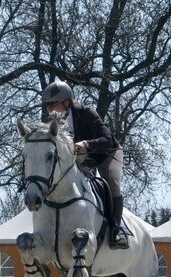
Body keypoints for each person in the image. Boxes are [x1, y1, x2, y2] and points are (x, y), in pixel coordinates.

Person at [41, 80, 128, 249]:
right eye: (47, 105)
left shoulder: (87, 113)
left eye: (53, 104)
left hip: (107, 154)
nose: (49, 109)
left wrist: (85, 144)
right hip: (84, 158)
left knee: (111, 182)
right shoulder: (55, 123)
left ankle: (117, 230)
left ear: (66, 102)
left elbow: (107, 140)